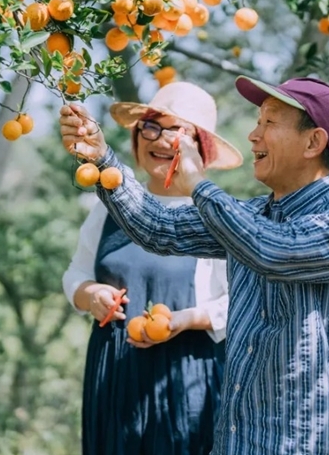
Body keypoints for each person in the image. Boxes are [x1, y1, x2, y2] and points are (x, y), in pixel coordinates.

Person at [59, 75, 329, 455]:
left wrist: (196, 183)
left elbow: (272, 250)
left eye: (269, 123)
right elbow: (158, 228)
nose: (253, 135)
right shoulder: (249, 214)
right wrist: (101, 158)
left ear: (313, 142)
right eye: (257, 122)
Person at [61, 81, 245, 455]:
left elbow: (239, 304)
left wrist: (185, 320)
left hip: (185, 375)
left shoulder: (215, 214)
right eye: (152, 126)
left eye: (179, 131)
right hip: (113, 373)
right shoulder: (109, 204)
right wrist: (91, 294)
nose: (161, 140)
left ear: (200, 148)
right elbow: (75, 274)